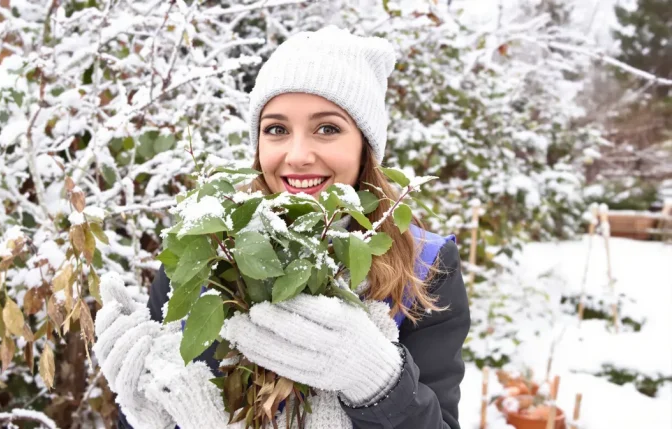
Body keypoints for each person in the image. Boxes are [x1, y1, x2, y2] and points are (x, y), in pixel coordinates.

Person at [94, 26, 470, 429]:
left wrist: (380, 383)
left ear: (365, 144)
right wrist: (146, 417)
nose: (298, 155)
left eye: (327, 128)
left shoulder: (425, 265)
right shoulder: (206, 246)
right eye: (276, 129)